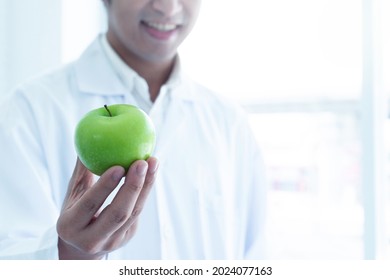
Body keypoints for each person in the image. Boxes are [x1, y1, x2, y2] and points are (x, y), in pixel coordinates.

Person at [0, 0, 267, 260]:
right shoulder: (29, 111)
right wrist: (69, 255)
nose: (168, 7)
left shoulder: (230, 122)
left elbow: (254, 256)